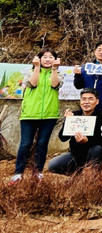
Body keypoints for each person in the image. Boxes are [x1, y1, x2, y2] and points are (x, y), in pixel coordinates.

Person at [11, 48, 62, 183]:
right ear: (39, 58)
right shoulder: (29, 72)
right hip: (29, 114)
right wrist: (37, 67)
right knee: (25, 144)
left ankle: (38, 172)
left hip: (49, 115)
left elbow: (55, 84)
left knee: (42, 144)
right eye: (44, 57)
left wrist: (54, 69)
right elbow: (32, 83)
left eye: (51, 57)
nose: (47, 59)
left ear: (55, 60)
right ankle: (18, 173)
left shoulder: (57, 73)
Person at [48, 89, 102, 174]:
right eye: (83, 99)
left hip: (92, 153)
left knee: (98, 150)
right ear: (80, 101)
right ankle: (77, 174)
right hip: (75, 154)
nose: (86, 102)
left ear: (97, 101)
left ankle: (93, 175)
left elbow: (101, 140)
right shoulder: (74, 115)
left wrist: (86, 141)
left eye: (90, 99)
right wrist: (67, 122)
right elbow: (63, 138)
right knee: (53, 165)